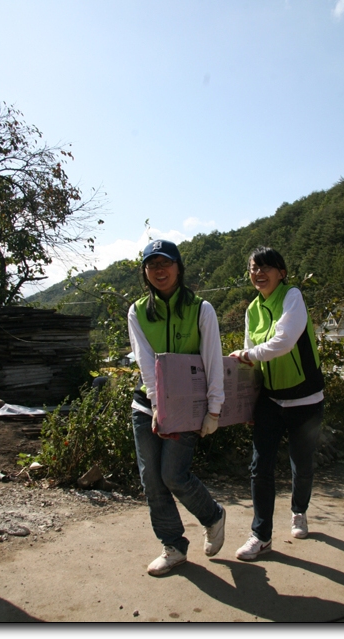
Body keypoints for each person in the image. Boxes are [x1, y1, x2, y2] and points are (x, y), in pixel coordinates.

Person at [128, 239, 226, 576]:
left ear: (178, 267)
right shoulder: (138, 311)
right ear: (145, 271)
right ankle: (173, 546)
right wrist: (157, 406)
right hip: (146, 405)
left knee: (173, 475)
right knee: (151, 480)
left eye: (165, 263)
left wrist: (215, 409)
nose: (159, 270)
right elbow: (145, 363)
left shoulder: (202, 309)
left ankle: (213, 515)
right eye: (152, 264)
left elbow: (213, 360)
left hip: (186, 407)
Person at [230, 246, 324, 561]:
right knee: (260, 467)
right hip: (270, 399)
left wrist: (247, 354)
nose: (258, 273)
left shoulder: (292, 296)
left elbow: (283, 341)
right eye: (253, 268)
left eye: (265, 267)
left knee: (302, 463)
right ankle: (261, 536)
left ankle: (299, 511)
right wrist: (248, 403)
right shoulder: (252, 310)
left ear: (281, 273)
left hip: (305, 398)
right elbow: (251, 364)